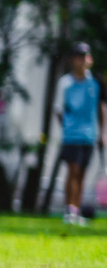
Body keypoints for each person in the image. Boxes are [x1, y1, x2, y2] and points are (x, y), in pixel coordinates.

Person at [55, 42, 105, 226]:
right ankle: (69, 210)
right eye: (79, 56)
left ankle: (75, 211)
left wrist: (102, 133)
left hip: (89, 135)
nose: (83, 60)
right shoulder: (65, 83)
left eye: (86, 56)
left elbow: (101, 108)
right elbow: (58, 110)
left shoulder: (96, 82)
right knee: (73, 170)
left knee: (82, 172)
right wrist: (67, 128)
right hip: (71, 135)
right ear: (72, 60)